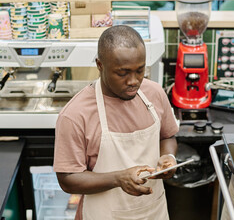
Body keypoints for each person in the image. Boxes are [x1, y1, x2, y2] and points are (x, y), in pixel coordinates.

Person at [53, 25, 179, 220]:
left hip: (153, 211)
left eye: (140, 70)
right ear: (100, 65)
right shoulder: (75, 115)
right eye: (123, 73)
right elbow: (67, 179)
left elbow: (167, 136)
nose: (134, 81)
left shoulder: (154, 93)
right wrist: (118, 179)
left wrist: (168, 157)